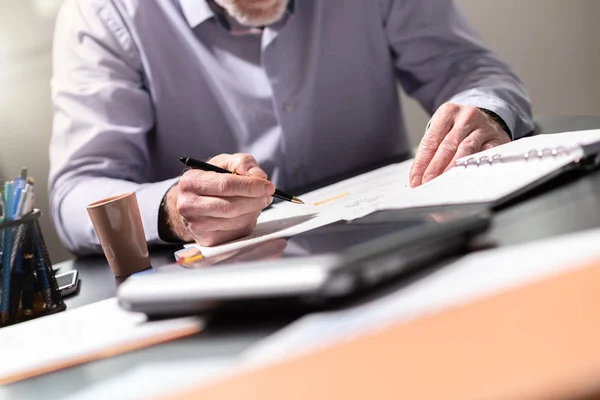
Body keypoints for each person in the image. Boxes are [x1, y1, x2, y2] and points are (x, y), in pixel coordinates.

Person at [49, 0, 533, 254]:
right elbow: (79, 188)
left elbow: (471, 72)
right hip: (225, 301)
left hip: (399, 250)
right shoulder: (105, 12)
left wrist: (483, 111)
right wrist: (172, 209)